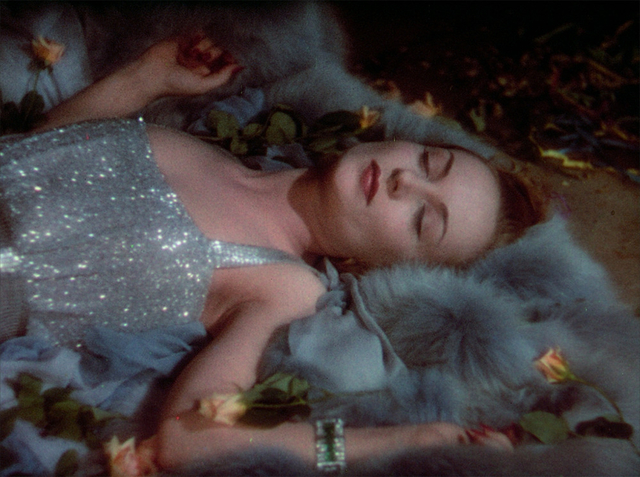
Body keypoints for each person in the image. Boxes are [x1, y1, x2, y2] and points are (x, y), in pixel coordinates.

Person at [0, 37, 546, 471]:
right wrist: (146, 77)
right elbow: (33, 158)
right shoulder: (208, 147)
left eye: (424, 219)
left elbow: (191, 440)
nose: (406, 181)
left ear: (388, 265)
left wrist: (405, 441)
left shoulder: (284, 288)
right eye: (429, 162)